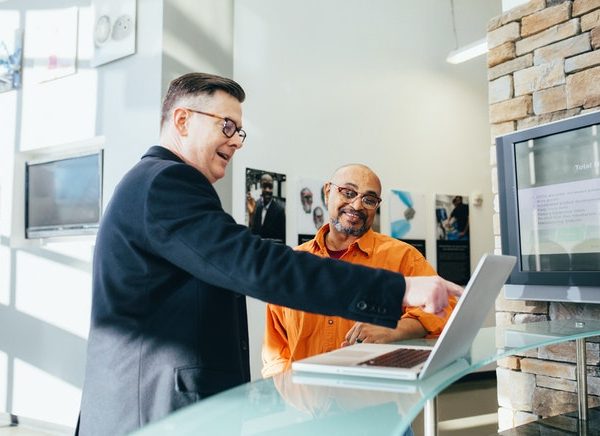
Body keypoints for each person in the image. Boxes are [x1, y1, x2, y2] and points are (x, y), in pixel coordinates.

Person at [77, 72, 462, 435]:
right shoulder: (166, 182)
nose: (235, 141)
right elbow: (256, 265)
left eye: (239, 131)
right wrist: (398, 290)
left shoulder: (155, 184)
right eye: (226, 125)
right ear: (181, 121)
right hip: (154, 410)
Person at [262, 164, 457, 377]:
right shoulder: (294, 264)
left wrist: (395, 329)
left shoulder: (403, 257)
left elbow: (446, 309)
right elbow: (275, 349)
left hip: (375, 399)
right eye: (348, 192)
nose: (356, 205)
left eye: (369, 199)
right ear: (328, 192)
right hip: (307, 402)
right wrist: (289, 394)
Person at [247, 173, 286, 243]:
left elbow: (282, 240)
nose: (267, 190)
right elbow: (253, 233)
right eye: (264, 186)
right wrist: (251, 215)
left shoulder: (279, 210)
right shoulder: (257, 206)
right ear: (261, 187)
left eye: (270, 187)